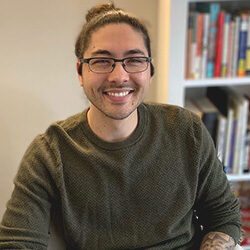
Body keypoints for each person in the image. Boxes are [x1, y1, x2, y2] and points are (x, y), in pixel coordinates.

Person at [0, 2, 242, 249]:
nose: (119, 76)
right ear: (80, 72)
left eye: (134, 60)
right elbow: (17, 242)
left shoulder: (186, 130)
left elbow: (224, 216)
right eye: (102, 61)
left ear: (150, 70)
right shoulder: (50, 154)